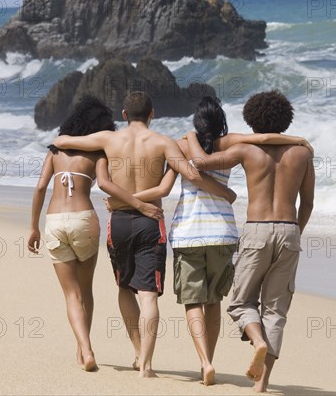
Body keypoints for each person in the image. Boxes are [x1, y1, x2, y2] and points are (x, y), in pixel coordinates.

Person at [105, 96, 308, 385]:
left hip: (189, 232)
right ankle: (209, 364)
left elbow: (165, 185)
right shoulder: (233, 144)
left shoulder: (182, 145)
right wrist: (297, 139)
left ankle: (205, 361)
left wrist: (125, 199)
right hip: (223, 231)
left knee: (192, 302)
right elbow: (262, 138)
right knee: (213, 300)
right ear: (221, 121)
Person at [52, 91, 235, 378]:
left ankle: (137, 352)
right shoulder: (164, 143)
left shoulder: (107, 139)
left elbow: (61, 141)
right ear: (153, 114)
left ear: (123, 115)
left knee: (125, 288)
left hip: (119, 223)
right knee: (148, 296)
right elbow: (191, 174)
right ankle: (147, 365)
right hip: (152, 221)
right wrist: (225, 192)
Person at [186, 90, 315, 392]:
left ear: (250, 119)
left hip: (257, 229)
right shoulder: (302, 153)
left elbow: (201, 162)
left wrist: (191, 135)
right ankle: (262, 383)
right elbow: (307, 202)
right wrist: (297, 231)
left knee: (241, 302)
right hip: (289, 230)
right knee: (275, 310)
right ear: (287, 119)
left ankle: (256, 341)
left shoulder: (246, 151)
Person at [27, 96, 162, 372]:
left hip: (54, 221)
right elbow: (105, 183)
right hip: (84, 220)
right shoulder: (96, 153)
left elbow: (41, 187)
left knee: (71, 295)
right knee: (86, 289)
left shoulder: (55, 151)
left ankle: (85, 349)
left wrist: (33, 226)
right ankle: (83, 348)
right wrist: (136, 203)